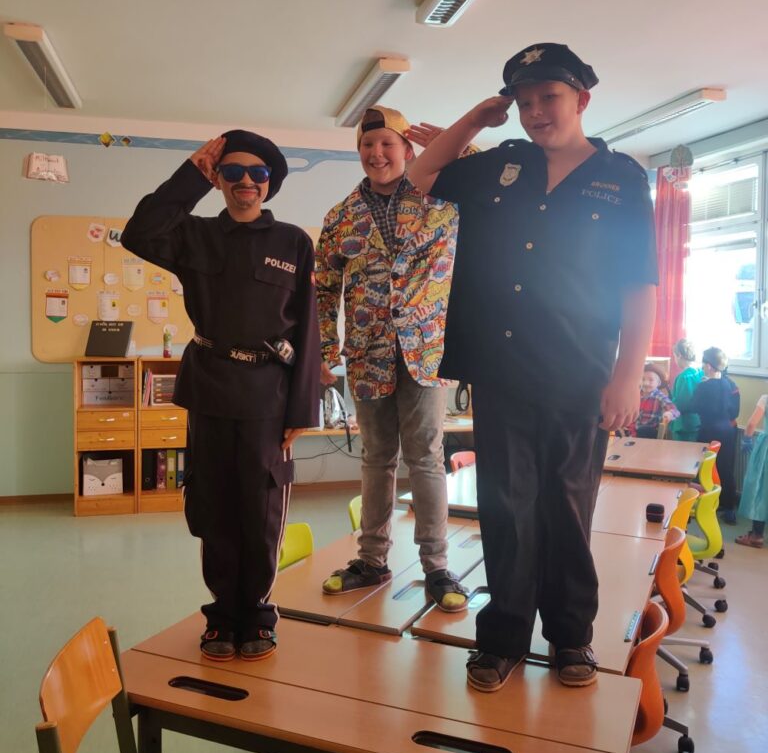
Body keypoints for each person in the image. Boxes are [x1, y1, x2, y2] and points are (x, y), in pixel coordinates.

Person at [408, 43, 658, 690]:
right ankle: (503, 640)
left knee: (568, 507)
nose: (536, 111)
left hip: (580, 373)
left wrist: (627, 375)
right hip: (502, 369)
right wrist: (475, 119)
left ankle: (571, 638)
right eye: (524, 102)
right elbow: (421, 177)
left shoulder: (621, 178)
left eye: (549, 97)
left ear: (582, 99)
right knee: (507, 507)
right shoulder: (502, 163)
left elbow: (639, 285)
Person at [121, 130, 320, 661]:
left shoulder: (293, 242)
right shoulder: (195, 235)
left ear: (270, 182)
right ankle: (222, 616)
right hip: (209, 389)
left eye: (257, 173)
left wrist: (302, 408)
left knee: (260, 510)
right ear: (219, 180)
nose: (245, 181)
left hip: (268, 395)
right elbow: (139, 232)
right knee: (214, 506)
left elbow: (309, 329)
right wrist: (190, 176)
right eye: (232, 172)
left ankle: (256, 614)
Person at [315, 106, 469, 612]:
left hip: (426, 350)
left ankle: (436, 567)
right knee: (377, 458)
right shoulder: (341, 216)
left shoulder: (442, 199)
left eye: (387, 144)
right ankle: (371, 560)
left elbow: (496, 179)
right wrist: (324, 349)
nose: (376, 154)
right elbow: (322, 289)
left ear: (408, 149)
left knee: (426, 457)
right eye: (367, 145)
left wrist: (458, 143)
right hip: (368, 352)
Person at [685, 346, 740, 524]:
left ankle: (704, 502)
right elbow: (734, 411)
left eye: (703, 364)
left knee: (704, 469)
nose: (702, 367)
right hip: (727, 430)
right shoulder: (729, 384)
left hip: (708, 430)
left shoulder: (704, 386)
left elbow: (692, 406)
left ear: (709, 366)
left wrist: (701, 386)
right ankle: (729, 507)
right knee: (725, 468)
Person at [737, 394, 768, 548]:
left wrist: (747, 439)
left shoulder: (766, 399)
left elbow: (751, 424)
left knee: (761, 490)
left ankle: (757, 535)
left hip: (766, 450)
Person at [669, 338, 703, 441]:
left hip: (685, 425)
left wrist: (670, 405)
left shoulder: (684, 376)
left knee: (682, 450)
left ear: (679, 355)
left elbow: (682, 403)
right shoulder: (700, 372)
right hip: (698, 421)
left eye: (674, 356)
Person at [634, 363, 679, 439]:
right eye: (643, 379)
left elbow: (675, 411)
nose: (646, 383)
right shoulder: (637, 395)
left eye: (651, 380)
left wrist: (669, 414)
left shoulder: (659, 396)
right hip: (635, 429)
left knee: (643, 430)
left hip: (650, 430)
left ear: (658, 383)